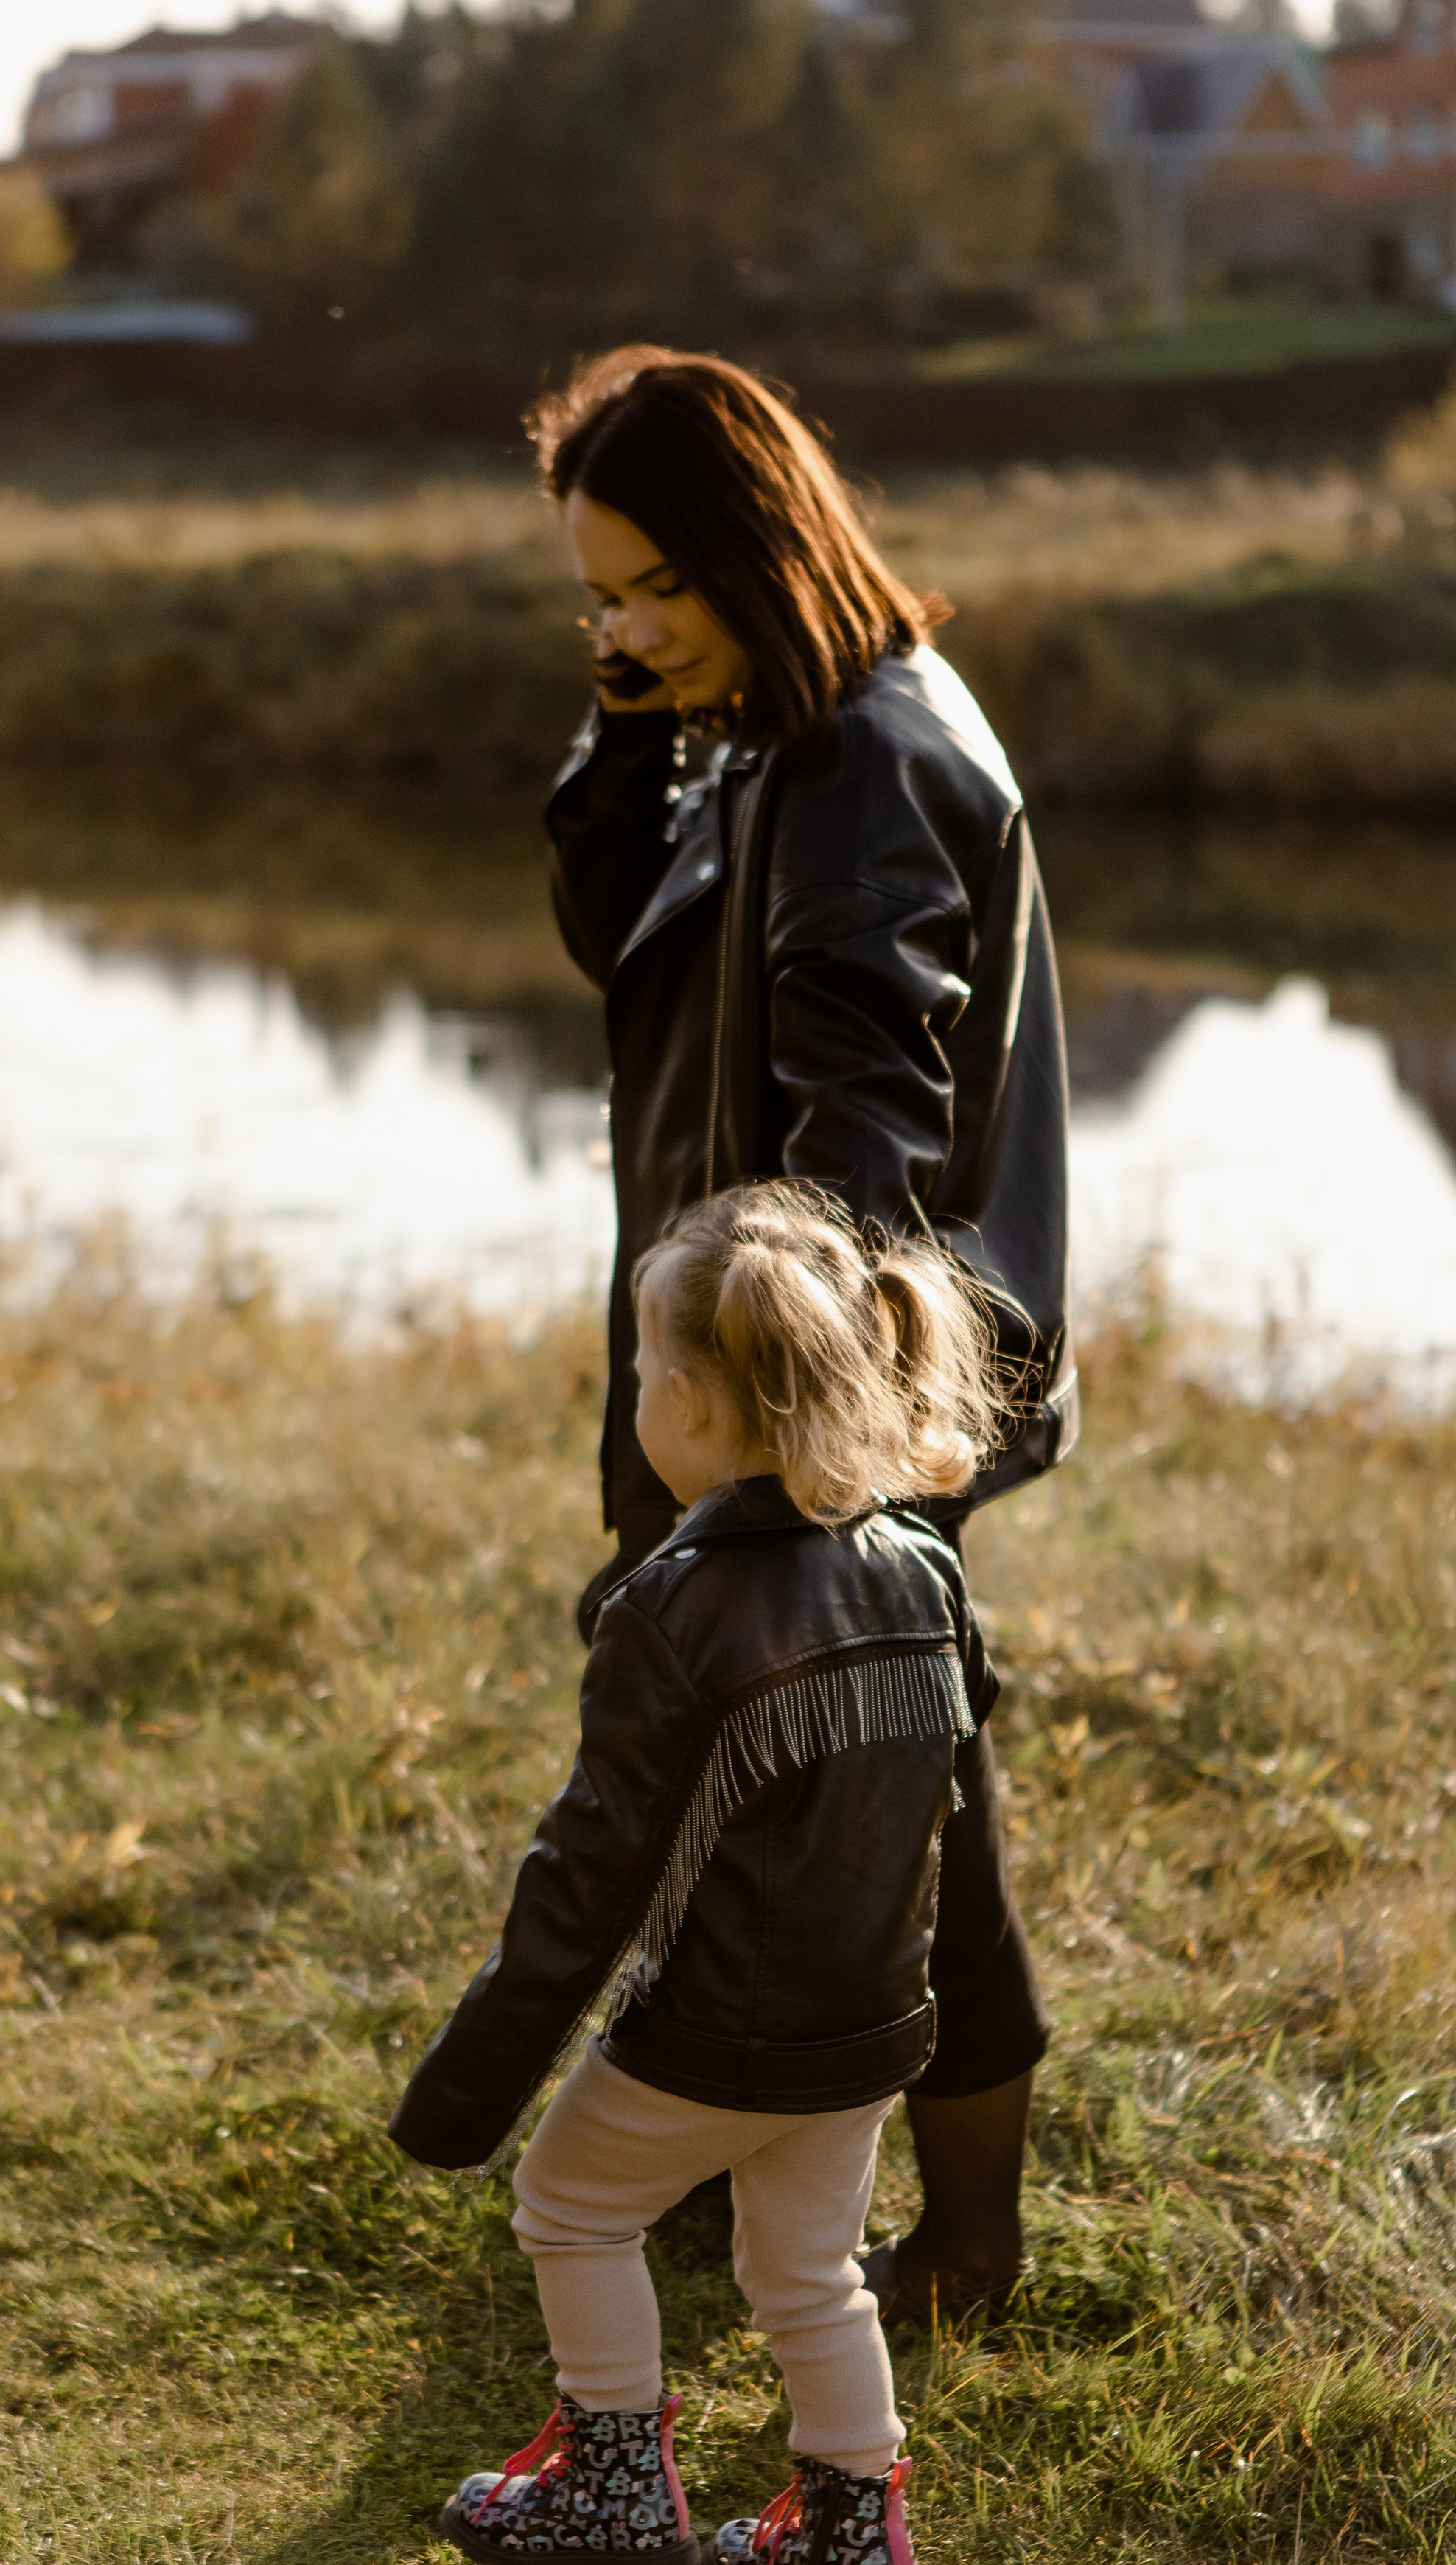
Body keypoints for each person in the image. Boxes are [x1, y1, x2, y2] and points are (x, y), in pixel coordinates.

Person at [532, 346, 1076, 2319]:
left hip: (823, 1390)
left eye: (647, 588)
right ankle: (724, 2154)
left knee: (907, 1797)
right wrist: (626, 724)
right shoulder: (771, 720)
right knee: (740, 1777)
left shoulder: (867, 760)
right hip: (730, 1372)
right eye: (592, 592)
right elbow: (625, 952)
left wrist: (784, 1434)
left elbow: (870, 1132)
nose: (617, 623)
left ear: (750, 552)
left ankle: (976, 2240)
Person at [389, 1183, 1009, 2565]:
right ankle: (852, 2538)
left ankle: (613, 2477)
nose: (635, 1399)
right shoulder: (922, 1569)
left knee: (571, 2206)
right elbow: (951, 1815)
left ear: (684, 1404)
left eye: (640, 1372)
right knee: (806, 2272)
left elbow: (586, 1876)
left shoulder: (670, 1609)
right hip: (869, 2029)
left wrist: (469, 2085)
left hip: (709, 2031)